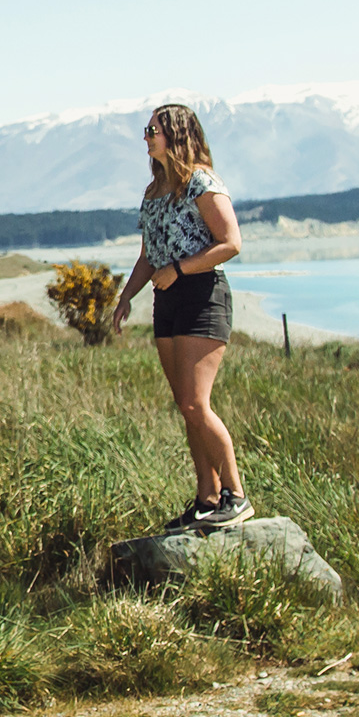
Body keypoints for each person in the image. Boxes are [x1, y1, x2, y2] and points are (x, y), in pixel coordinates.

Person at [110, 102, 251, 532]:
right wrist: (126, 296)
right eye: (146, 129)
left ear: (175, 134)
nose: (147, 136)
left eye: (153, 129)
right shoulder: (153, 193)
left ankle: (237, 496)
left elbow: (230, 243)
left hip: (201, 296)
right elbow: (147, 256)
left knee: (196, 402)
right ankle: (206, 498)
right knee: (185, 407)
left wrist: (180, 269)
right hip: (165, 300)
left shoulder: (202, 183)